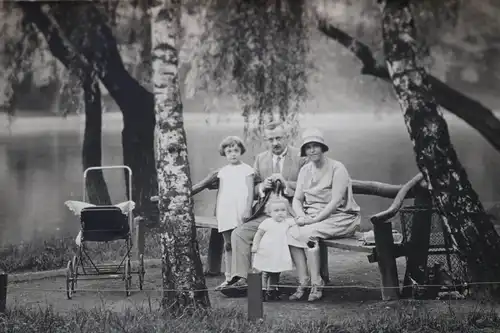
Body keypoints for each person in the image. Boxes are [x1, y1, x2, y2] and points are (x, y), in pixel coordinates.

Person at [217, 121, 307, 293]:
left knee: (272, 235)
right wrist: (262, 187)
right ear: (266, 140)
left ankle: (274, 285)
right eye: (271, 139)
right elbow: (254, 185)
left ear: (287, 137)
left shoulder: (300, 157)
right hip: (266, 214)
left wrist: (286, 183)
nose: (275, 143)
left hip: (291, 215)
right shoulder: (261, 158)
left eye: (279, 138)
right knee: (239, 233)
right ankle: (241, 279)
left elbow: (308, 186)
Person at [288, 127, 361, 302]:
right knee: (290, 232)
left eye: (316, 146)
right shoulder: (305, 170)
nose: (312, 150)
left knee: (310, 234)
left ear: (322, 148)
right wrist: (299, 216)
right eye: (308, 147)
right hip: (313, 217)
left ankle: (317, 282)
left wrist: (313, 220)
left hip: (341, 217)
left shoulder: (337, 168)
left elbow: (336, 201)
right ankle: (303, 280)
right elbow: (297, 199)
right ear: (305, 151)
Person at [214, 136, 255, 289]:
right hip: (226, 210)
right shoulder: (223, 172)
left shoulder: (247, 170)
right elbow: (221, 192)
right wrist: (218, 212)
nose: (232, 154)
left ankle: (244, 276)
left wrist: (248, 208)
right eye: (229, 151)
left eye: (236, 150)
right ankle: (229, 277)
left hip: (241, 209)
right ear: (224, 153)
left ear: (241, 152)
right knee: (228, 244)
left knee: (242, 242)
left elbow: (250, 192)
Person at [251, 195, 299, 301]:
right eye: (276, 210)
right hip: (266, 251)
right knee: (265, 272)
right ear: (270, 213)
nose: (280, 213)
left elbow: (298, 221)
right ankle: (262, 292)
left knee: (276, 272)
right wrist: (255, 245)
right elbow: (258, 234)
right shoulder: (267, 222)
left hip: (278, 252)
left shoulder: (287, 222)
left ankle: (272, 291)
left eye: (283, 210)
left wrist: (301, 219)